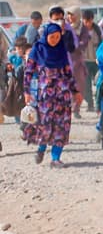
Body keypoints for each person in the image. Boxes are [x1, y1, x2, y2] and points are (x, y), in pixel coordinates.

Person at [23, 22, 81, 167]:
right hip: (45, 98)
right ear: (46, 36)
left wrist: (75, 91)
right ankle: (41, 149)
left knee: (62, 126)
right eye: (52, 37)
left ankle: (55, 158)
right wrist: (26, 91)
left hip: (63, 96)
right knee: (45, 125)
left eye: (57, 37)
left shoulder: (62, 51)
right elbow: (28, 72)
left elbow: (68, 74)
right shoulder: (37, 49)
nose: (55, 39)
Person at [76, 8, 102, 110]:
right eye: (85, 21)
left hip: (96, 61)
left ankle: (98, 103)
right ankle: (90, 104)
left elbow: (101, 44)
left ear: (92, 19)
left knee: (98, 83)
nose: (87, 23)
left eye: (89, 21)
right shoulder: (80, 31)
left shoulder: (98, 30)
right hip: (84, 61)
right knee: (87, 85)